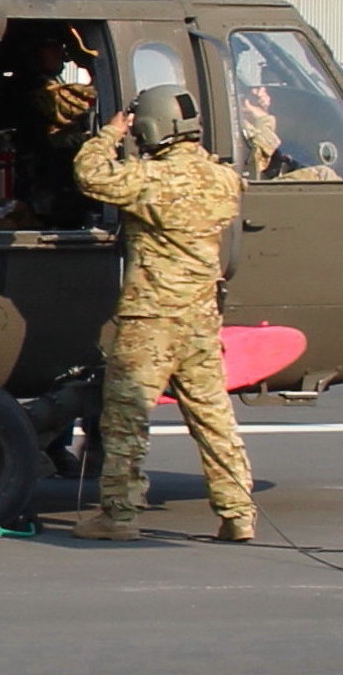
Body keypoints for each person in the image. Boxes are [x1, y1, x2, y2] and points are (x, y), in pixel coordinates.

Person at [68, 84, 255, 543]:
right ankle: (238, 513)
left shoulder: (152, 179)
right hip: (200, 317)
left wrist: (109, 133)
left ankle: (119, 513)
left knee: (126, 416)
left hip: (151, 317)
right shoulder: (223, 179)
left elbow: (90, 175)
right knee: (212, 414)